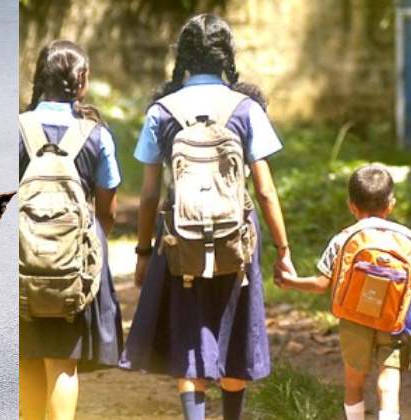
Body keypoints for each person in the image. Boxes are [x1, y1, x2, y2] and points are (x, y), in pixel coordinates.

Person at [119, 14, 295, 420]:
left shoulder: (161, 111)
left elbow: (148, 194)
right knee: (234, 335)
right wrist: (283, 250)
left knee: (188, 335)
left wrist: (143, 251)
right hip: (237, 239)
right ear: (226, 56)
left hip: (179, 239)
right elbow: (265, 189)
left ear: (181, 56)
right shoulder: (246, 108)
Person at [18, 40, 124, 420]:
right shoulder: (96, 135)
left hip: (22, 263)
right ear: (82, 81)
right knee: (63, 364)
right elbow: (107, 211)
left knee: (27, 358)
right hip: (72, 267)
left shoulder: (18, 128)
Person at [277, 164, 411, 420]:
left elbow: (322, 284)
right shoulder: (408, 238)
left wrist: (291, 281)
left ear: (351, 205)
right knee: (389, 381)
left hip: (354, 319)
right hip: (393, 320)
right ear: (392, 204)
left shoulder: (343, 238)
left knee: (354, 381)